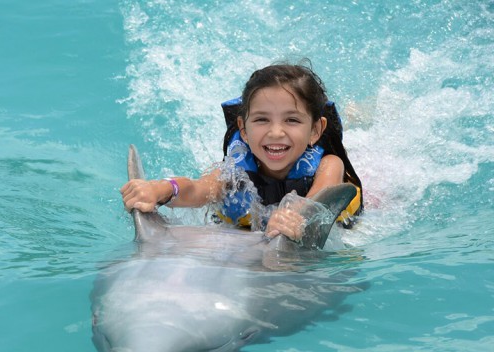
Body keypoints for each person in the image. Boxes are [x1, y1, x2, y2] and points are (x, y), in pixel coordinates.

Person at [121, 61, 363, 242]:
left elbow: (316, 203)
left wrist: (293, 216)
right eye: (261, 120)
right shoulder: (235, 172)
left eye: (292, 120)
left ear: (315, 130)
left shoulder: (328, 164)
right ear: (243, 130)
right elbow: (197, 189)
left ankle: (356, 113)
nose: (276, 132)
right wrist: (160, 189)